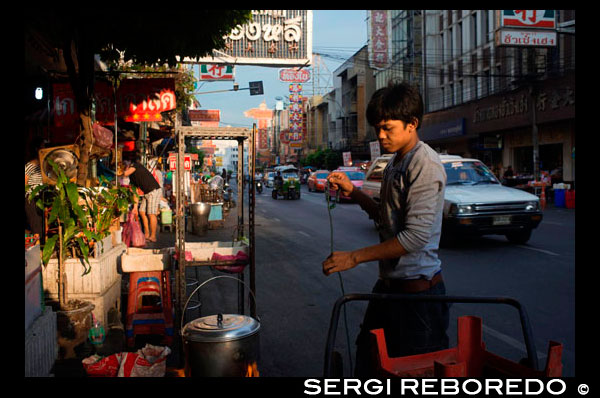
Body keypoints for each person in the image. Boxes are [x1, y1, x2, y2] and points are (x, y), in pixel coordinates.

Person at [322, 82, 449, 377]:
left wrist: (353, 258)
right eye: (377, 127)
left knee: (415, 374)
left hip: (418, 296)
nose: (380, 135)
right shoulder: (395, 162)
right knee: (370, 360)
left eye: (387, 128)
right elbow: (387, 217)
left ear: (412, 124)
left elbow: (415, 237)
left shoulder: (424, 164)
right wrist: (352, 192)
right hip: (390, 288)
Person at [120, 158, 162, 243]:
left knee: (151, 213)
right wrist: (135, 207)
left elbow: (125, 173)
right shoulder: (132, 179)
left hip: (153, 190)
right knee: (141, 211)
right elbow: (135, 193)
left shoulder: (136, 165)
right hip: (147, 192)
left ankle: (153, 236)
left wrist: (118, 172)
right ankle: (146, 234)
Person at [25, 151, 44, 241]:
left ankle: (42, 240)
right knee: (34, 220)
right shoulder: (30, 165)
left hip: (43, 196)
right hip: (31, 195)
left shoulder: (45, 164)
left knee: (41, 219)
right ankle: (37, 241)